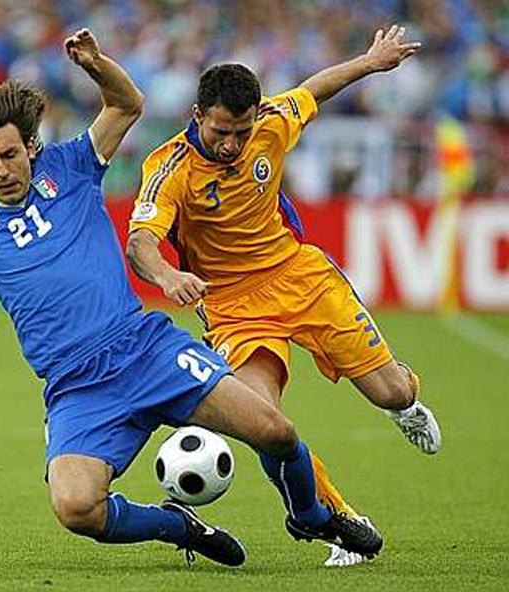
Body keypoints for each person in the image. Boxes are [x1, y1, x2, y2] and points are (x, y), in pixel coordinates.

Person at [0, 28, 382, 567]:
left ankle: (311, 515)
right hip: (77, 389)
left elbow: (128, 103)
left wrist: (95, 65)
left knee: (275, 431)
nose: (1, 169)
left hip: (143, 350)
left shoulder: (73, 167)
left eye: (10, 154)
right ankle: (178, 525)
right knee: (75, 508)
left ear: (30, 147)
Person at [126, 25, 441, 567]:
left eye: (241, 132)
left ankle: (405, 398)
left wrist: (370, 62)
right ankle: (337, 521)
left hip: (301, 277)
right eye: (222, 131)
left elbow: (313, 90)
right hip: (234, 307)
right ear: (197, 116)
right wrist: (167, 277)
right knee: (264, 424)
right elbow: (140, 241)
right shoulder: (169, 168)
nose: (232, 144)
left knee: (389, 393)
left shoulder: (270, 122)